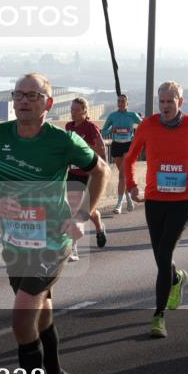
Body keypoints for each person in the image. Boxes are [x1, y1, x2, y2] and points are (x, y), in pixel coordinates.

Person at [0, 73, 109, 374]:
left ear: (48, 103)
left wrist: (82, 216)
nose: (24, 100)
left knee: (22, 315)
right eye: (18, 94)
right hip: (15, 242)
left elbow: (101, 170)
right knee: (41, 314)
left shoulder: (63, 141)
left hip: (53, 241)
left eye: (33, 95)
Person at [125, 82, 188, 338]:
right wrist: (132, 186)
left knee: (165, 252)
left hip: (184, 197)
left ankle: (158, 315)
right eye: (161, 102)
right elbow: (130, 158)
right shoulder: (148, 125)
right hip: (154, 198)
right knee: (160, 257)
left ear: (180, 102)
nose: (164, 107)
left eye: (169, 102)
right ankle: (176, 279)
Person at [66, 97, 109, 257]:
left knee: (89, 211)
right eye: (72, 110)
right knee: (73, 209)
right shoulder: (69, 127)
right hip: (72, 173)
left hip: (89, 175)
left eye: (77, 110)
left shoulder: (91, 128)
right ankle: (73, 247)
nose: (73, 113)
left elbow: (102, 150)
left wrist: (86, 154)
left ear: (85, 112)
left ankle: (99, 228)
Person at [101, 94, 143, 214]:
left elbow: (144, 126)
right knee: (122, 176)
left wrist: (137, 137)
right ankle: (128, 199)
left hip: (128, 146)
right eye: (119, 101)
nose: (121, 103)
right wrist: (111, 130)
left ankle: (119, 205)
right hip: (116, 145)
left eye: (123, 101)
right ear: (117, 103)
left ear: (127, 103)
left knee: (122, 176)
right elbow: (103, 132)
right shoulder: (113, 116)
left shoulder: (132, 115)